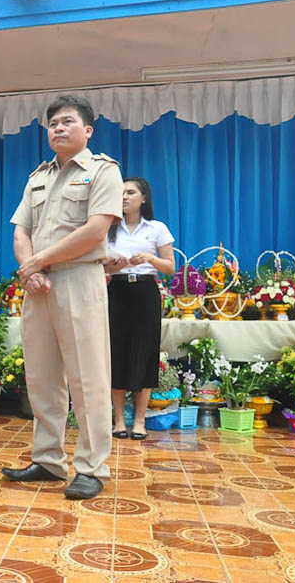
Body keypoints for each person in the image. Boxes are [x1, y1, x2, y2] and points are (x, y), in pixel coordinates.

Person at [1, 95, 124, 500]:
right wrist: (31, 269)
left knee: (87, 378)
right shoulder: (38, 177)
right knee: (41, 377)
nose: (58, 128)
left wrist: (39, 261)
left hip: (78, 279)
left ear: (87, 130)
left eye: (67, 122)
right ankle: (48, 459)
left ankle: (92, 467)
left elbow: (95, 230)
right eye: (52, 123)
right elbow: (21, 231)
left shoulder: (103, 171)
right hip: (38, 286)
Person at [105, 177, 175, 440]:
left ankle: (140, 421)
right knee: (116, 353)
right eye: (121, 193)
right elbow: (98, 265)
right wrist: (113, 265)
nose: (124, 197)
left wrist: (150, 258)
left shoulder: (156, 228)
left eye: (130, 192)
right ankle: (119, 421)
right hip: (117, 291)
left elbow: (170, 267)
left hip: (146, 292)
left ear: (143, 198)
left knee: (144, 353)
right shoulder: (109, 228)